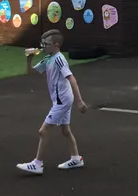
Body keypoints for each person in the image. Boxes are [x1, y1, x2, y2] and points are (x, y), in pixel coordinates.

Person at [17, 30, 88, 175]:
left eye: (46, 44)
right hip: (61, 99)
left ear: (56, 45)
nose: (42, 46)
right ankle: (76, 158)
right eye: (42, 43)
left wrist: (79, 101)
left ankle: (37, 164)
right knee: (65, 130)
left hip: (63, 100)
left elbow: (72, 79)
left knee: (43, 131)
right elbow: (30, 73)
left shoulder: (59, 59)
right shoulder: (48, 58)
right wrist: (29, 59)